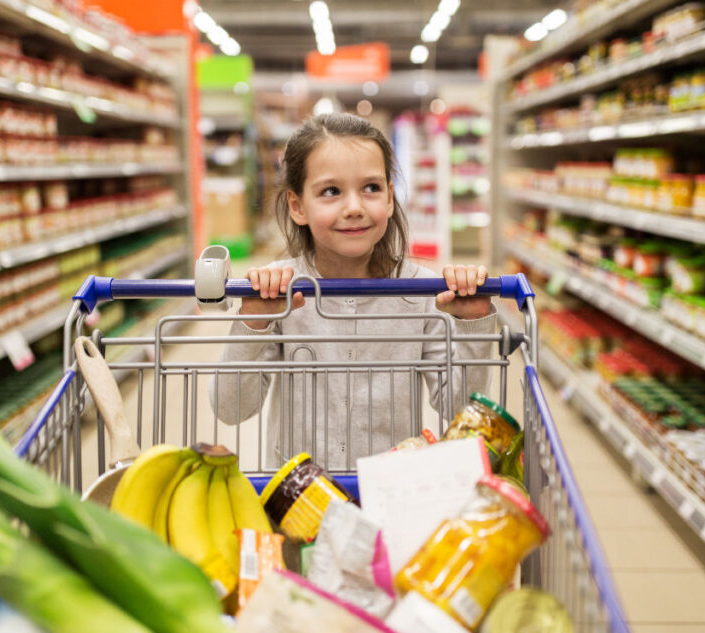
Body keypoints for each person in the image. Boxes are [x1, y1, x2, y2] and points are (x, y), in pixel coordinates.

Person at [209, 113, 498, 469]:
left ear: (391, 199)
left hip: (389, 493)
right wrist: (253, 321)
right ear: (297, 206)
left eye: (371, 188)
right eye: (331, 191)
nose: (355, 208)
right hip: (298, 497)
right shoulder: (279, 292)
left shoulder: (422, 292)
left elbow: (460, 412)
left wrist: (473, 325)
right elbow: (231, 410)